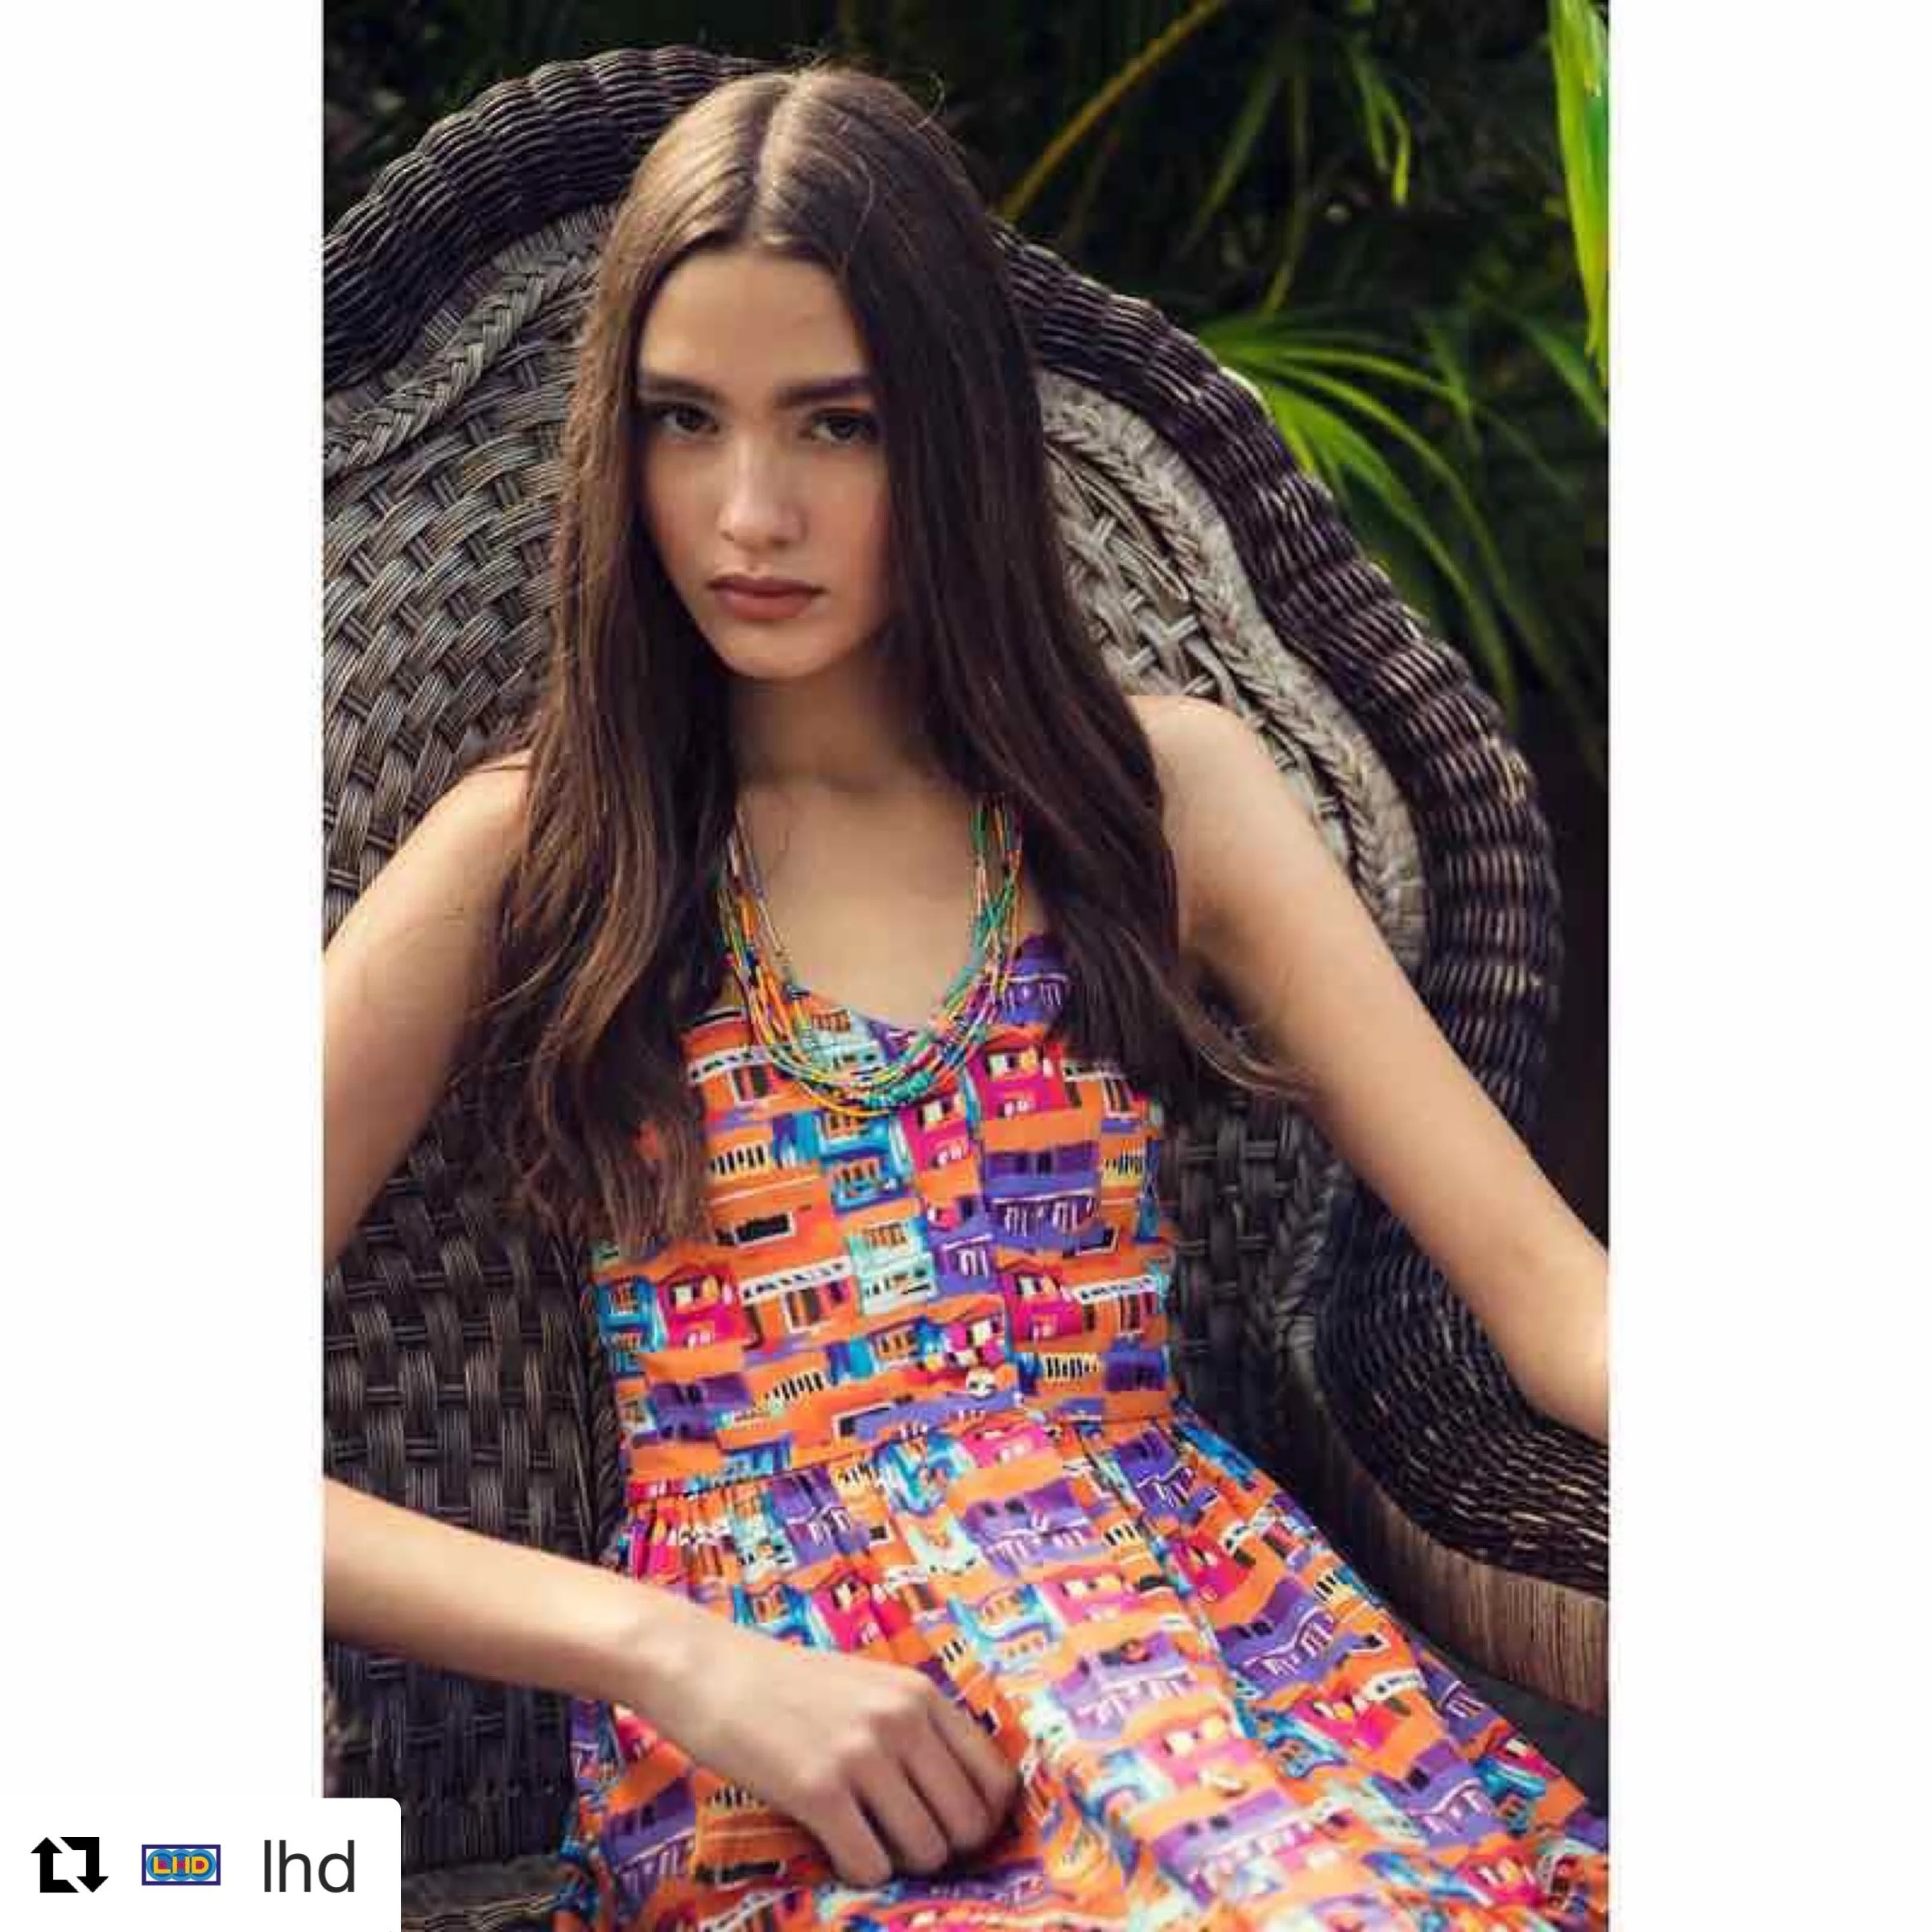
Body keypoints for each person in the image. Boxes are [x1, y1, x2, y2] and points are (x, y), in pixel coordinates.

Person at [323, 58, 1609, 1932]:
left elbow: (1556, 1302)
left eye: (834, 426)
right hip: (823, 1758)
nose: (747, 510)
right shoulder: (541, 850)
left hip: (1218, 1669)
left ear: (956, 432)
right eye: (687, 422)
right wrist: (670, 1654)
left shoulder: (1160, 800)